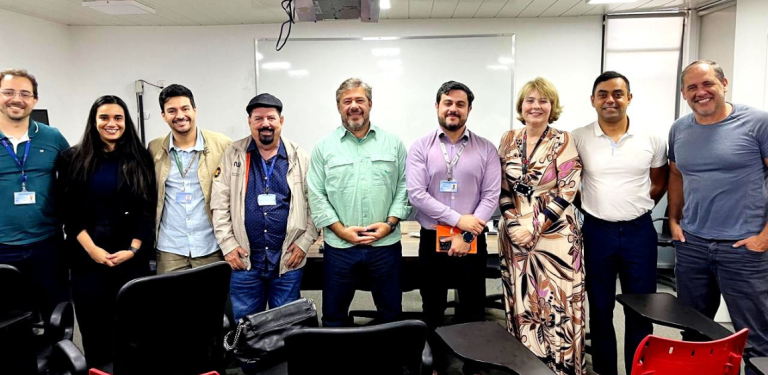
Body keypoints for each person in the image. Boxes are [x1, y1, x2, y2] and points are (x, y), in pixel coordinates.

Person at [669, 59, 768, 373]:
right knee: (693, 332)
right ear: (684, 94)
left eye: (708, 83)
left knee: (756, 338)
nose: (701, 92)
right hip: (693, 245)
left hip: (744, 248)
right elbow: (676, 174)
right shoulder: (679, 129)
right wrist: (673, 220)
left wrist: (766, 236)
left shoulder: (758, 123)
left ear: (724, 85)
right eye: (693, 87)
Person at [571, 71, 668, 375]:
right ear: (592, 100)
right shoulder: (577, 137)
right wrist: (594, 207)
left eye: (617, 93)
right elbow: (570, 185)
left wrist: (632, 206)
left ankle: (639, 370)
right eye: (602, 94)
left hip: (639, 231)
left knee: (641, 308)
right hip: (597, 231)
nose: (610, 100)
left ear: (629, 98)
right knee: (599, 308)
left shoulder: (651, 136)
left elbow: (659, 181)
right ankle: (604, 370)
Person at [57, 95, 157, 367]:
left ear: (126, 122)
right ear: (94, 121)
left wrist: (133, 250)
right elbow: (69, 212)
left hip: (130, 259)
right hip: (88, 260)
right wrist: (93, 251)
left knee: (133, 331)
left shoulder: (140, 157)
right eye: (104, 117)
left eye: (118, 118)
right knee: (95, 331)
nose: (111, 123)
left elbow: (148, 209)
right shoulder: (72, 158)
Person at [498, 77, 585, 375]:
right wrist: (512, 223)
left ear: (552, 106)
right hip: (514, 235)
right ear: (521, 106)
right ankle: (525, 364)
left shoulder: (563, 139)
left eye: (543, 101)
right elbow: (500, 188)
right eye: (530, 100)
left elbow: (568, 190)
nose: (536, 106)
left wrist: (532, 228)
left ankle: (560, 368)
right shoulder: (508, 138)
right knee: (522, 302)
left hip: (555, 235)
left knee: (554, 301)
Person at [308, 78, 411, 327]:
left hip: (385, 245)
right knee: (334, 315)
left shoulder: (393, 144)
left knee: (391, 314)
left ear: (370, 105)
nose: (354, 106)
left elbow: (405, 187)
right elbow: (316, 194)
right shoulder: (323, 148)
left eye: (359, 100)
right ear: (339, 107)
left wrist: (389, 224)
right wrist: (341, 231)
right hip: (339, 248)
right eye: (347, 101)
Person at [211, 93, 317, 326]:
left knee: (285, 326)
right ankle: (250, 365)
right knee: (246, 326)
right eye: (258, 119)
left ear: (281, 120)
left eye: (271, 117)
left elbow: (314, 205)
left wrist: (304, 242)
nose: (265, 124)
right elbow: (219, 204)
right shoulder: (234, 154)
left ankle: (282, 365)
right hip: (245, 260)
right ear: (249, 122)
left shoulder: (299, 156)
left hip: (287, 260)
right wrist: (228, 245)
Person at [406, 81, 501, 329]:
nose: (453, 109)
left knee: (472, 307)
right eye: (448, 103)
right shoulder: (420, 147)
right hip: (432, 239)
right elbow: (417, 194)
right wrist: (458, 220)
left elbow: (491, 196)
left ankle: (472, 365)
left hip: (471, 240)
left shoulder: (486, 149)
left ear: (469, 109)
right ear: (437, 106)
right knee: (433, 307)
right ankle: (435, 363)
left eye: (460, 104)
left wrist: (466, 235)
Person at [0, 69, 69, 325]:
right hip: (2, 248)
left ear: (34, 100)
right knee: (10, 321)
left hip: (46, 244)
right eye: (8, 92)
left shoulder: (52, 136)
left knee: (56, 313)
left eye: (25, 94)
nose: (16, 99)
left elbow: (77, 176)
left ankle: (61, 363)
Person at [148, 84, 231, 274]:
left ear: (195, 110)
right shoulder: (154, 148)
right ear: (163, 115)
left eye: (185, 108)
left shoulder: (222, 144)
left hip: (211, 245)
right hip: (170, 248)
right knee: (173, 303)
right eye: (172, 111)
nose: (180, 115)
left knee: (212, 303)